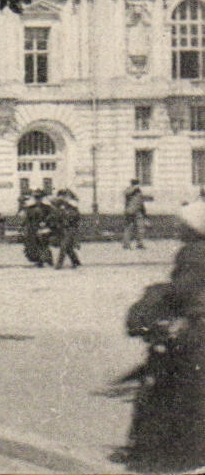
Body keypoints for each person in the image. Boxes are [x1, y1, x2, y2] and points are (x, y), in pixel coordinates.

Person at [119, 199, 205, 472]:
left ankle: (166, 452)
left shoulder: (192, 253)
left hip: (194, 329)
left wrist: (157, 293)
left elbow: (183, 291)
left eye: (183, 223)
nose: (178, 227)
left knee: (169, 387)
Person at [20, 190, 53, 267]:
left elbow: (51, 217)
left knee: (44, 244)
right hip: (33, 229)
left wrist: (46, 222)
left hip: (44, 229)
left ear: (42, 198)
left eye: (39, 197)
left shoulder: (47, 207)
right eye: (36, 198)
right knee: (35, 245)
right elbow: (26, 219)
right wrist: (24, 227)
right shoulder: (30, 208)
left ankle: (49, 260)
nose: (38, 199)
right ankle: (39, 261)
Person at [51, 188, 82, 269]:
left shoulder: (72, 207)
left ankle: (59, 264)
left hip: (71, 229)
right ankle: (75, 261)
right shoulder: (60, 206)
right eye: (63, 196)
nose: (64, 198)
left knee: (64, 245)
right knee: (68, 247)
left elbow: (76, 217)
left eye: (65, 196)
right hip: (62, 229)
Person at [123, 179, 150, 250]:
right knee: (133, 228)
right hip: (133, 212)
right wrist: (134, 188)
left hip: (134, 212)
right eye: (137, 184)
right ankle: (130, 244)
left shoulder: (135, 191)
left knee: (136, 228)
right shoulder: (132, 191)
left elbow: (141, 203)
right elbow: (126, 194)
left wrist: (144, 214)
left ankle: (135, 244)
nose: (138, 186)